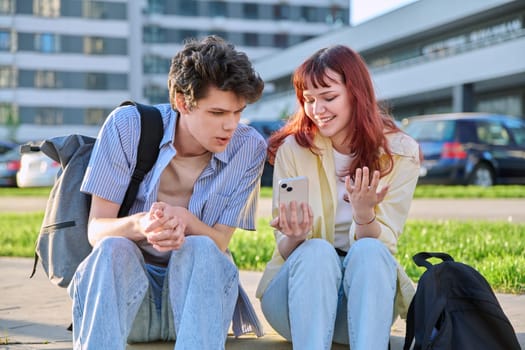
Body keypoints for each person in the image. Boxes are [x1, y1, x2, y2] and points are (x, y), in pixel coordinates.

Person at [68, 35, 266, 350]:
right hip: (130, 303)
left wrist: (184, 221)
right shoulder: (127, 126)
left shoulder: (249, 148)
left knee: (201, 248)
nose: (230, 125)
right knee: (111, 248)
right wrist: (141, 225)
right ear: (182, 101)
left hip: (196, 304)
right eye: (217, 113)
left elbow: (220, 243)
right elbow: (96, 229)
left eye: (238, 112)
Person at [255, 44, 421, 349]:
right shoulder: (294, 150)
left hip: (362, 307)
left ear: (356, 94)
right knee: (316, 251)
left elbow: (384, 247)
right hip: (296, 303)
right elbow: (285, 249)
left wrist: (364, 214)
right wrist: (294, 237)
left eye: (329, 97)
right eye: (309, 100)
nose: (317, 110)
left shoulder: (400, 154)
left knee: (370, 252)